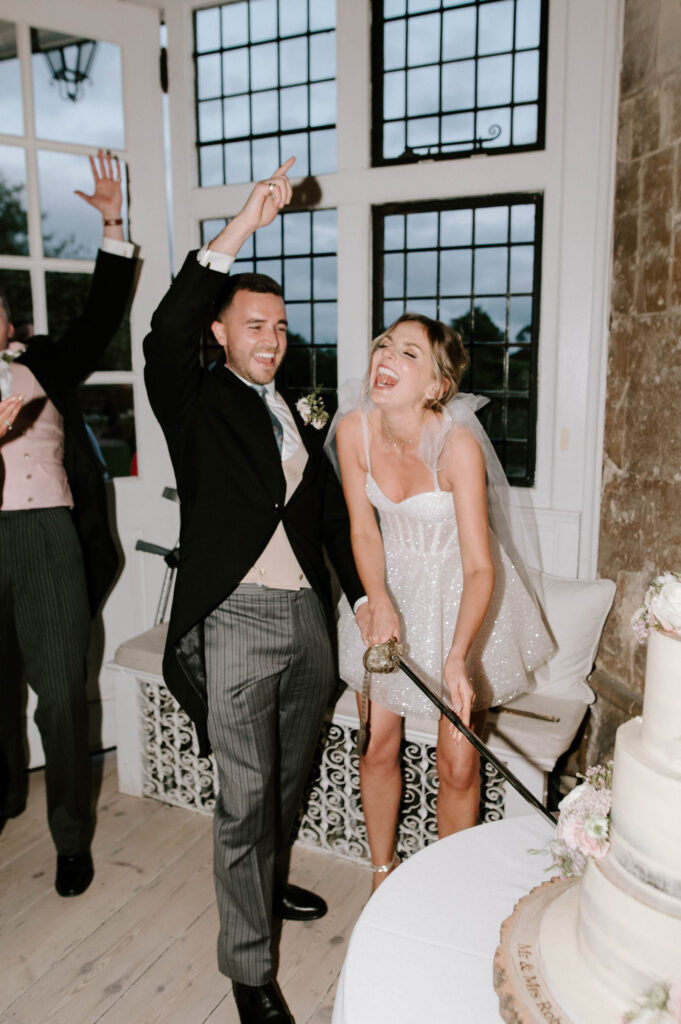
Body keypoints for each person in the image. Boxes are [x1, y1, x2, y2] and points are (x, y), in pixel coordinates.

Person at [143, 159, 367, 1024]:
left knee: (286, 779)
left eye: (278, 325)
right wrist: (239, 228)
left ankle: (264, 890)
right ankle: (247, 967)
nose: (270, 338)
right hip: (232, 618)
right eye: (253, 325)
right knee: (243, 796)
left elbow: (330, 524)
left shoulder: (302, 411)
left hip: (306, 621)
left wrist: (359, 600)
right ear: (221, 333)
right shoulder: (192, 398)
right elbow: (162, 330)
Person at [333, 313, 554, 889]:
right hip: (390, 590)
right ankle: (384, 872)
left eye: (409, 353)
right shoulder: (354, 431)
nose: (387, 357)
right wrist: (376, 599)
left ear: (436, 386)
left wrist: (459, 655)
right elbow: (362, 530)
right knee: (378, 744)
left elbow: (482, 565)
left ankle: (446, 888)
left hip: (460, 601)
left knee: (458, 763)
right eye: (384, 345)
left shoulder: (457, 446)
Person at [0, 150, 138, 897]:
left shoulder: (45, 362)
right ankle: (3, 798)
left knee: (58, 692)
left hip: (48, 536)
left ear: (8, 320)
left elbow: (104, 314)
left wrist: (113, 223)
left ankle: (71, 837)